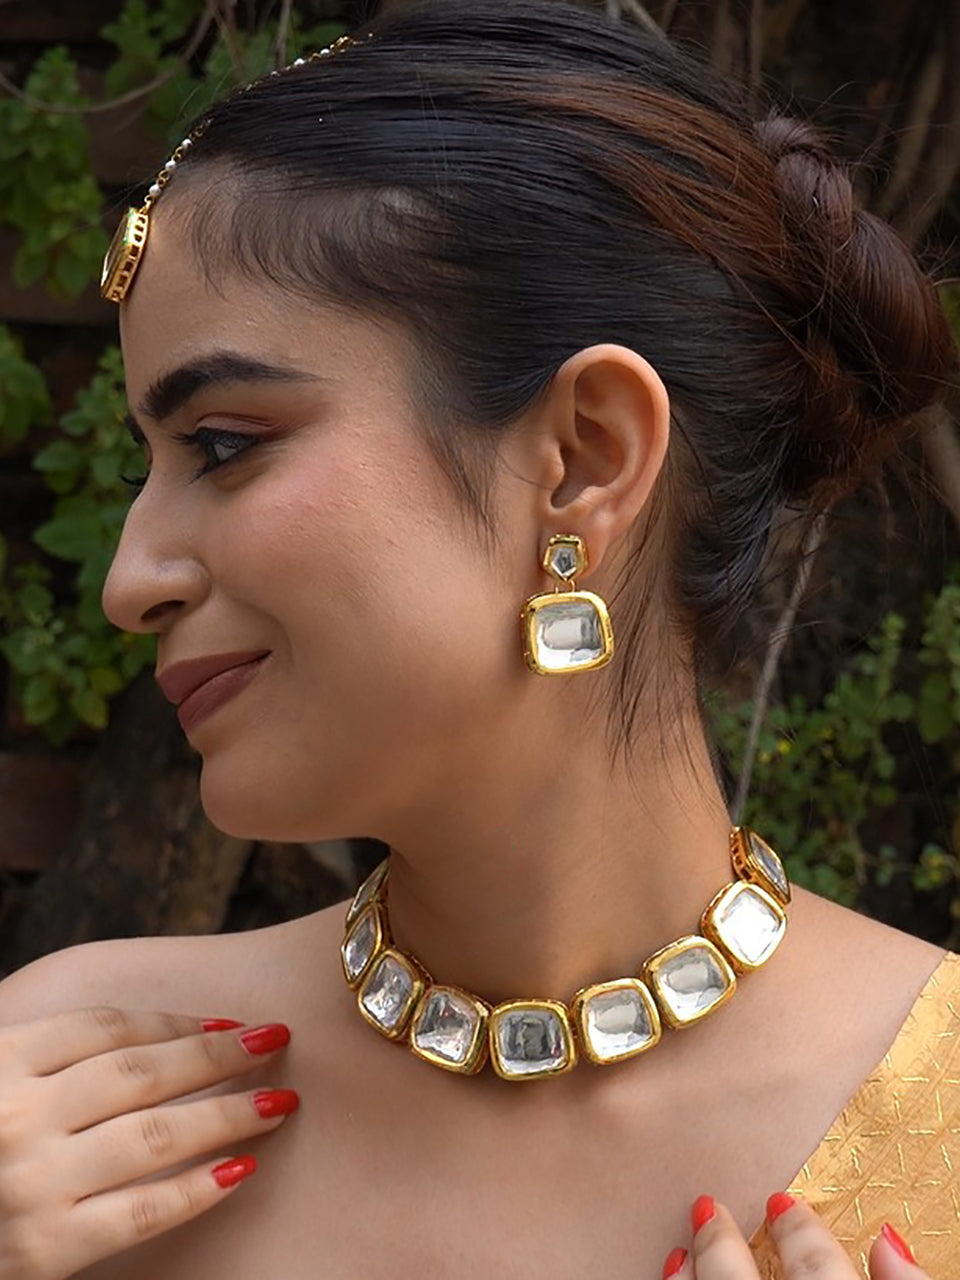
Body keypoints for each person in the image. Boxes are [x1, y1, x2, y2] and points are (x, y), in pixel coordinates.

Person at [0, 1, 956, 1277]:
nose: (130, 581)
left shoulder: (940, 1124)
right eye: (147, 465)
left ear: (584, 458)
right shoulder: (53, 1098)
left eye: (221, 445)